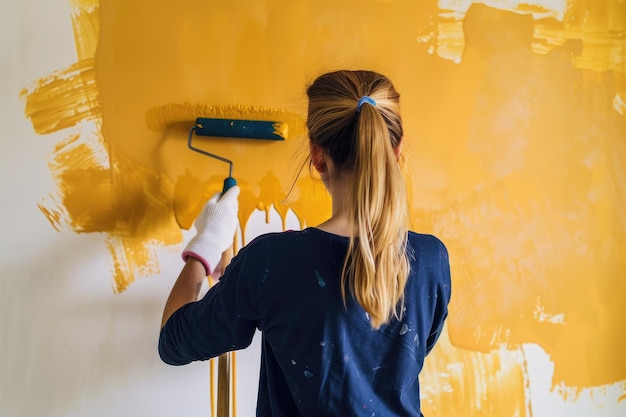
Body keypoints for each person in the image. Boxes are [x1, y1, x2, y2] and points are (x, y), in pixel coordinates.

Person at [159, 69, 451, 416]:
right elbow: (407, 348)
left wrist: (207, 245)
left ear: (317, 156)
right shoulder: (431, 260)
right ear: (397, 150)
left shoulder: (271, 262)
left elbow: (172, 342)